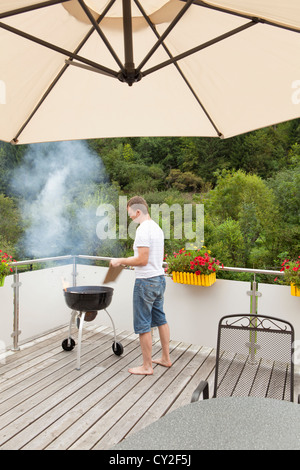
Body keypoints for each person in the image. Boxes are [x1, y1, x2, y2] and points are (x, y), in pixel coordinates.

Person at [110, 196, 171, 375]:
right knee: (160, 319)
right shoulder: (157, 229)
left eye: (131, 215)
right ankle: (166, 358)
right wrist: (131, 262)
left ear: (138, 212)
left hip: (146, 282)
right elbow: (151, 258)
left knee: (143, 324)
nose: (131, 219)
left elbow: (143, 259)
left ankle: (146, 366)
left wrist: (119, 260)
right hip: (159, 279)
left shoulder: (143, 229)